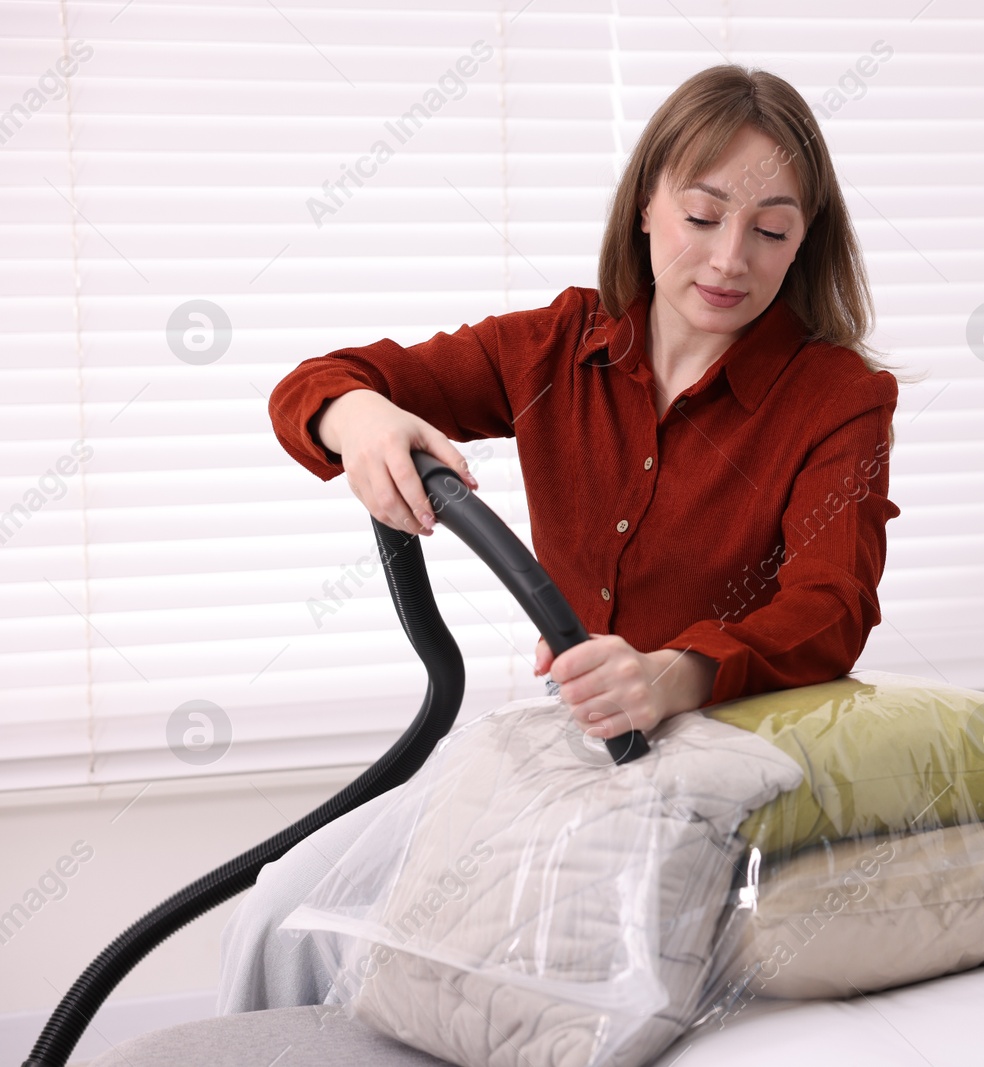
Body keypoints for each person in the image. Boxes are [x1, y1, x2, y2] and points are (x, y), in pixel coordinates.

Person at [219, 64, 903, 1013]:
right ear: (646, 210)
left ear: (803, 243)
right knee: (285, 914)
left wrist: (673, 672)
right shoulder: (554, 346)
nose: (731, 259)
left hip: (716, 759)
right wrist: (359, 418)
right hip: (563, 742)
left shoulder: (840, 398)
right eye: (703, 218)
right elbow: (321, 380)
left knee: (506, 982)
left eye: (771, 230)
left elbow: (830, 607)